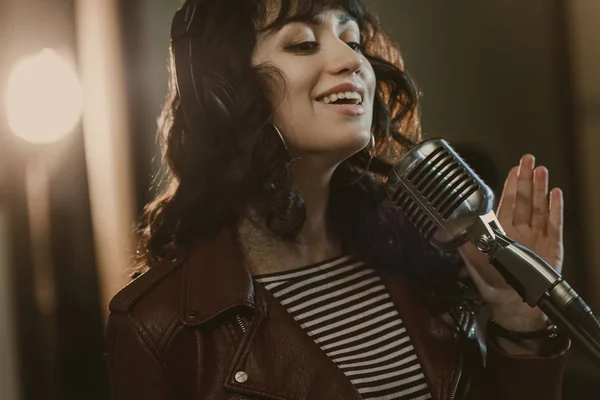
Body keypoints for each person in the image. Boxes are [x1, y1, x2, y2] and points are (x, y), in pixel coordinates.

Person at [106, 0, 569, 398]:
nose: (351, 60)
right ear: (223, 91)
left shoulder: (422, 254)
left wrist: (517, 321)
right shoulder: (158, 327)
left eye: (352, 40)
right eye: (304, 43)